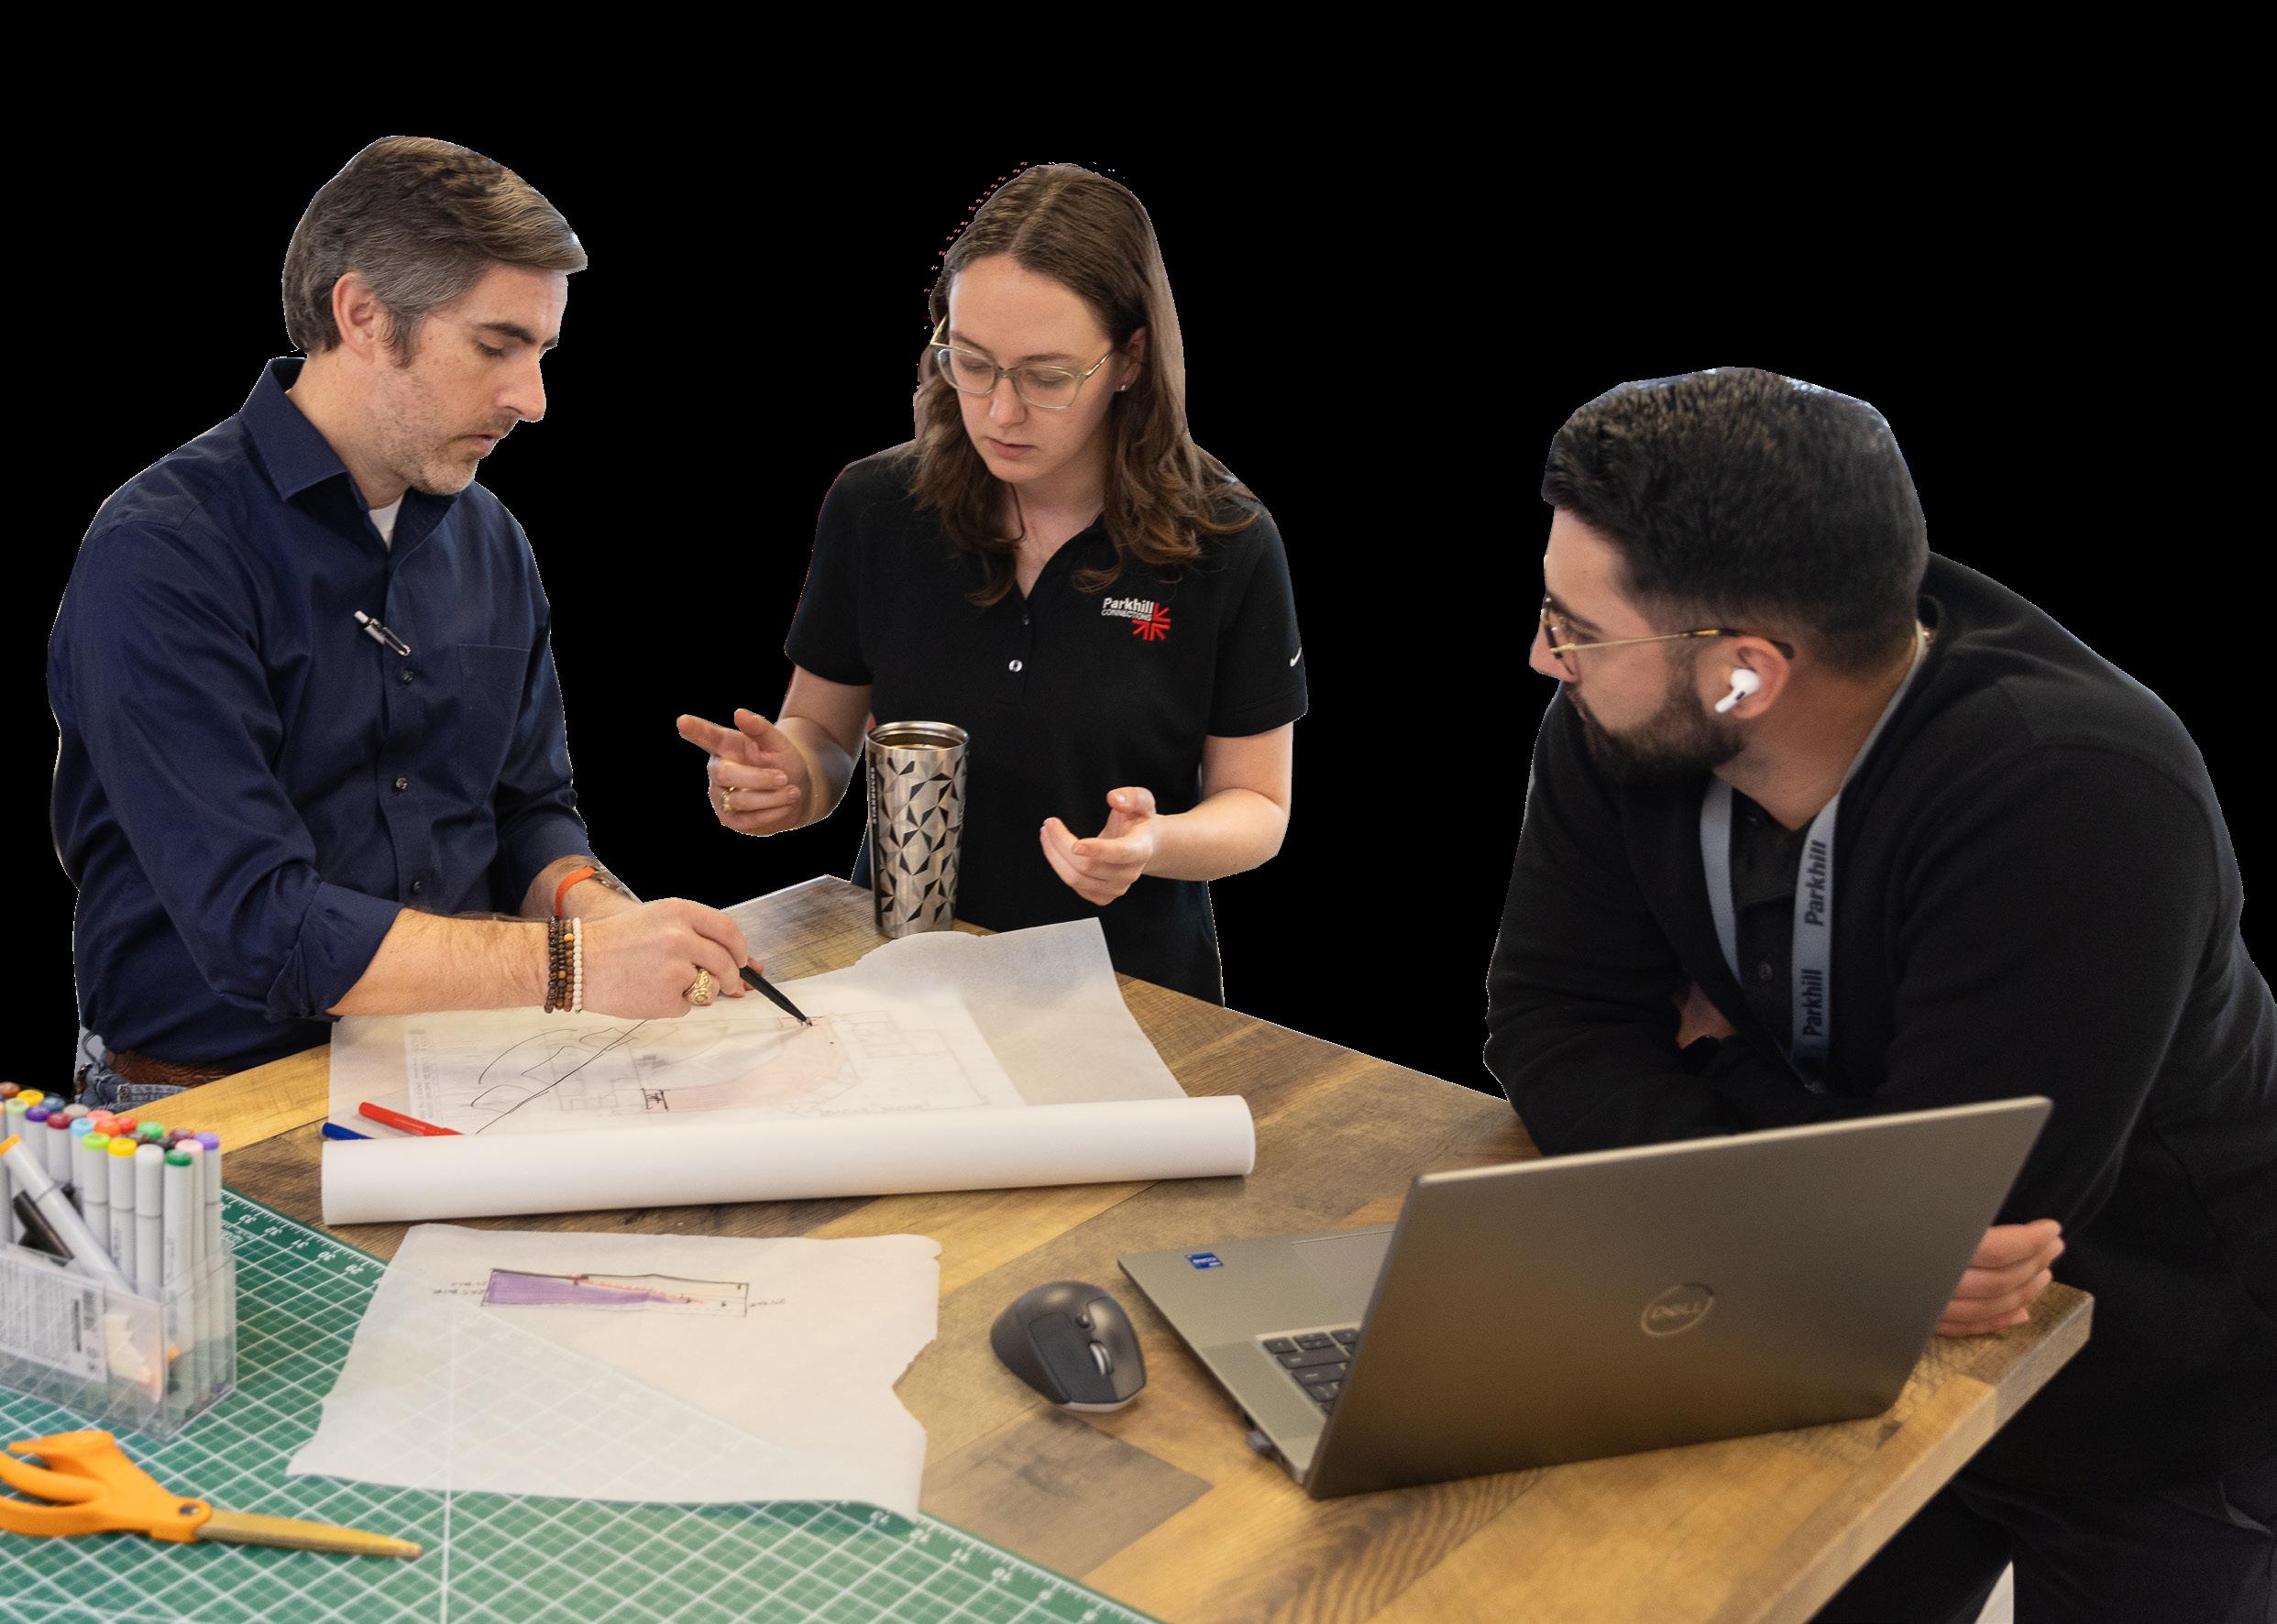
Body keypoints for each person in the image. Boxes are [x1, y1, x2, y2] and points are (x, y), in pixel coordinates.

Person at [1485, 368, 2276, 1623]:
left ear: (1746, 673)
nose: (1546, 655)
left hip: (2157, 1385)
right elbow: (1546, 1021)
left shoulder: (2079, 794)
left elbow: (1969, 1217)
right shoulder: (1621, 727)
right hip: (1832, 1352)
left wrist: (1706, 1060)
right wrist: (1839, 1215)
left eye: (1576, 626)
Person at [50, 137, 761, 1109]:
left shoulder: (491, 538)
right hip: (212, 1101)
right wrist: (572, 964)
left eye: (541, 354)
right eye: (496, 346)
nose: (532, 401)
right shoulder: (163, 553)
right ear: (364, 316)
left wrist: (596, 910)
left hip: (466, 1065)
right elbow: (262, 928)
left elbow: (526, 809)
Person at [676, 164, 1304, 1004]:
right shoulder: (877, 507)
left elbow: (1257, 806)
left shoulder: (1225, 541)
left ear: (1130, 359)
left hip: (1127, 991)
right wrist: (786, 779)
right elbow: (822, 733)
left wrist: (1153, 843)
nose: (1000, 412)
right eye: (971, 363)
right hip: (899, 973)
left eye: (1047, 377)